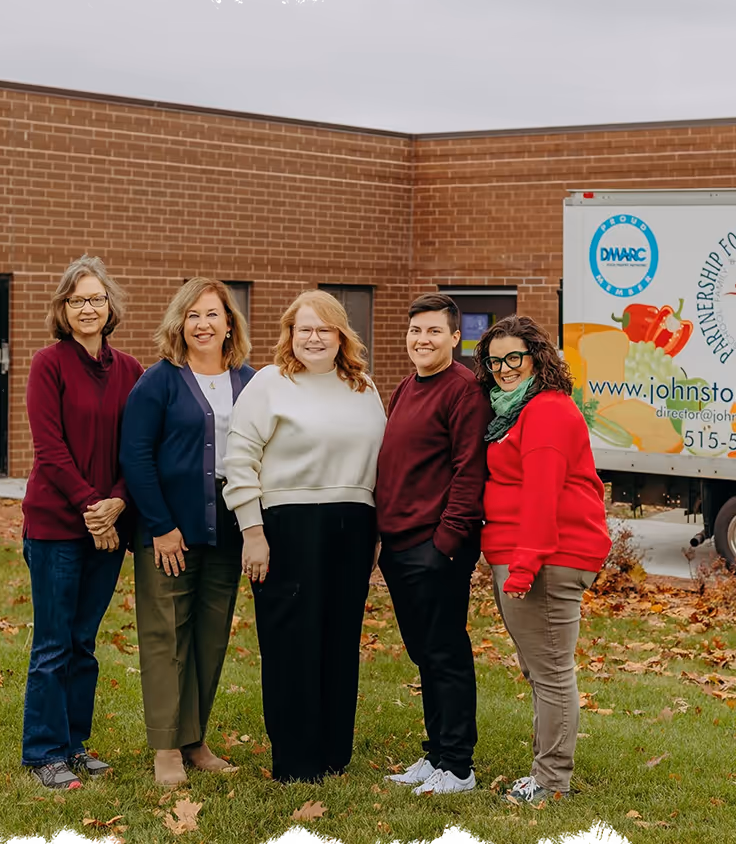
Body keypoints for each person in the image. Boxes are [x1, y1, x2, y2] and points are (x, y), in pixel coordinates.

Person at [222, 289, 386, 784]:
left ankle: (334, 753)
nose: (314, 338)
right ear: (289, 335)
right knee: (291, 641)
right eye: (304, 329)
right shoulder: (269, 383)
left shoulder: (362, 386)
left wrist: (375, 529)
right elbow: (239, 459)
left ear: (341, 336)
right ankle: (295, 760)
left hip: (353, 525)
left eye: (324, 329)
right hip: (287, 525)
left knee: (340, 638)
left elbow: (380, 463)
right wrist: (252, 530)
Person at [119, 278, 256, 787]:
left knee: (210, 635)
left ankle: (195, 740)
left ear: (229, 324)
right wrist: (160, 526)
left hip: (227, 528)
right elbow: (135, 455)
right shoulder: (159, 380)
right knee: (165, 635)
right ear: (180, 322)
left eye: (212, 315)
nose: (202, 324)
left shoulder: (250, 380)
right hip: (169, 528)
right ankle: (165, 747)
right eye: (192, 315)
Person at [476, 314, 612, 803]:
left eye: (514, 357)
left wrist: (525, 564)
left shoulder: (547, 411)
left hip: (547, 559)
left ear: (538, 359)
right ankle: (545, 773)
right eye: (495, 361)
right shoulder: (513, 411)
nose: (504, 368)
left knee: (552, 672)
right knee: (541, 669)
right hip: (521, 555)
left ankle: (551, 782)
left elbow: (541, 494)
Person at [19, 255, 143, 789]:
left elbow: (138, 448)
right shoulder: (48, 364)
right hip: (55, 525)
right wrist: (94, 509)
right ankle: (42, 751)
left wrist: (116, 502)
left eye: (95, 298)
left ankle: (73, 744)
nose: (87, 308)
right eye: (76, 300)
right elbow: (50, 447)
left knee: (84, 641)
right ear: (63, 310)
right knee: (53, 642)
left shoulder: (132, 370)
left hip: (109, 522)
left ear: (110, 305)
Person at [375, 293, 491, 796]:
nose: (422, 340)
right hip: (400, 544)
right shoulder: (406, 386)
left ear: (454, 338)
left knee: (445, 653)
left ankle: (459, 767)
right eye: (416, 331)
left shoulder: (464, 391)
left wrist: (445, 542)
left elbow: (470, 473)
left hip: (435, 547)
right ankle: (436, 755)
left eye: (434, 332)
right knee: (425, 655)